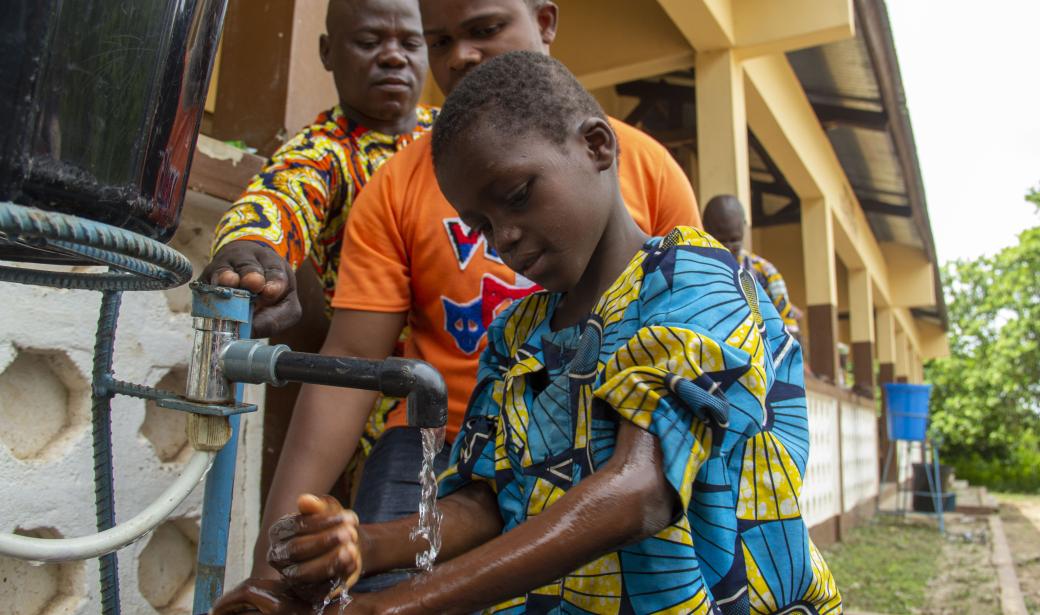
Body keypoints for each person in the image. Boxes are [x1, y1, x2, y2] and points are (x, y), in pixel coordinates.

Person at [213, 51, 841, 615]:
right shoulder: (518, 336)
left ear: (597, 146)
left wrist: (394, 607)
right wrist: (363, 544)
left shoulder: (693, 279)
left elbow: (639, 491)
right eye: (481, 225)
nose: (503, 237)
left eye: (517, 196)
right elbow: (489, 502)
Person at [201, 0, 434, 337]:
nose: (394, 57)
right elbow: (280, 197)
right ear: (327, 51)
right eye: (369, 43)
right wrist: (250, 248)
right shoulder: (321, 153)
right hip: (386, 378)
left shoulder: (455, 132)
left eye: (412, 43)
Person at [703, 194, 803, 336]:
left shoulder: (765, 274)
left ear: (744, 227)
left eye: (735, 239)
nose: (729, 248)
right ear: (705, 229)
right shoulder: (695, 272)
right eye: (721, 240)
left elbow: (789, 330)